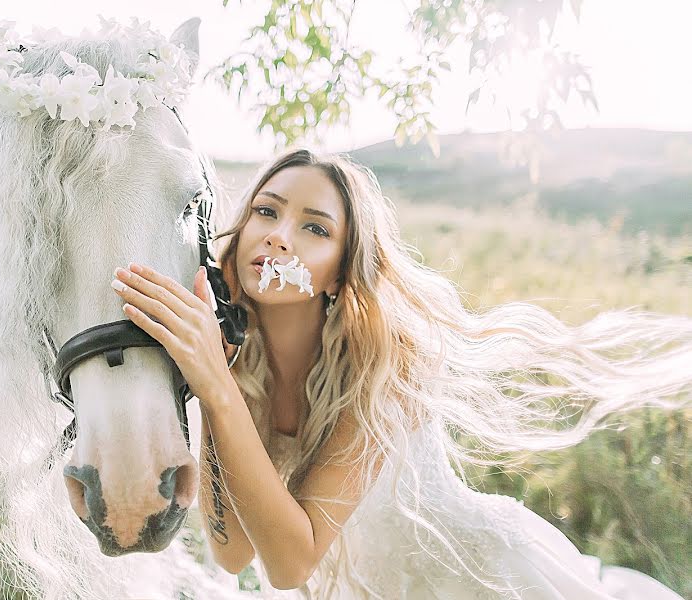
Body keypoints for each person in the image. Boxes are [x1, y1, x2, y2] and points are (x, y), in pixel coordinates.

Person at [113, 148, 689, 599]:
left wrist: (215, 386)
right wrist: (221, 386)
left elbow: (291, 563)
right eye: (267, 211)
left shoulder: (386, 366)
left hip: (481, 586)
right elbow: (233, 552)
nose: (279, 235)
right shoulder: (235, 368)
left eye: (315, 228)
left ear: (339, 273)